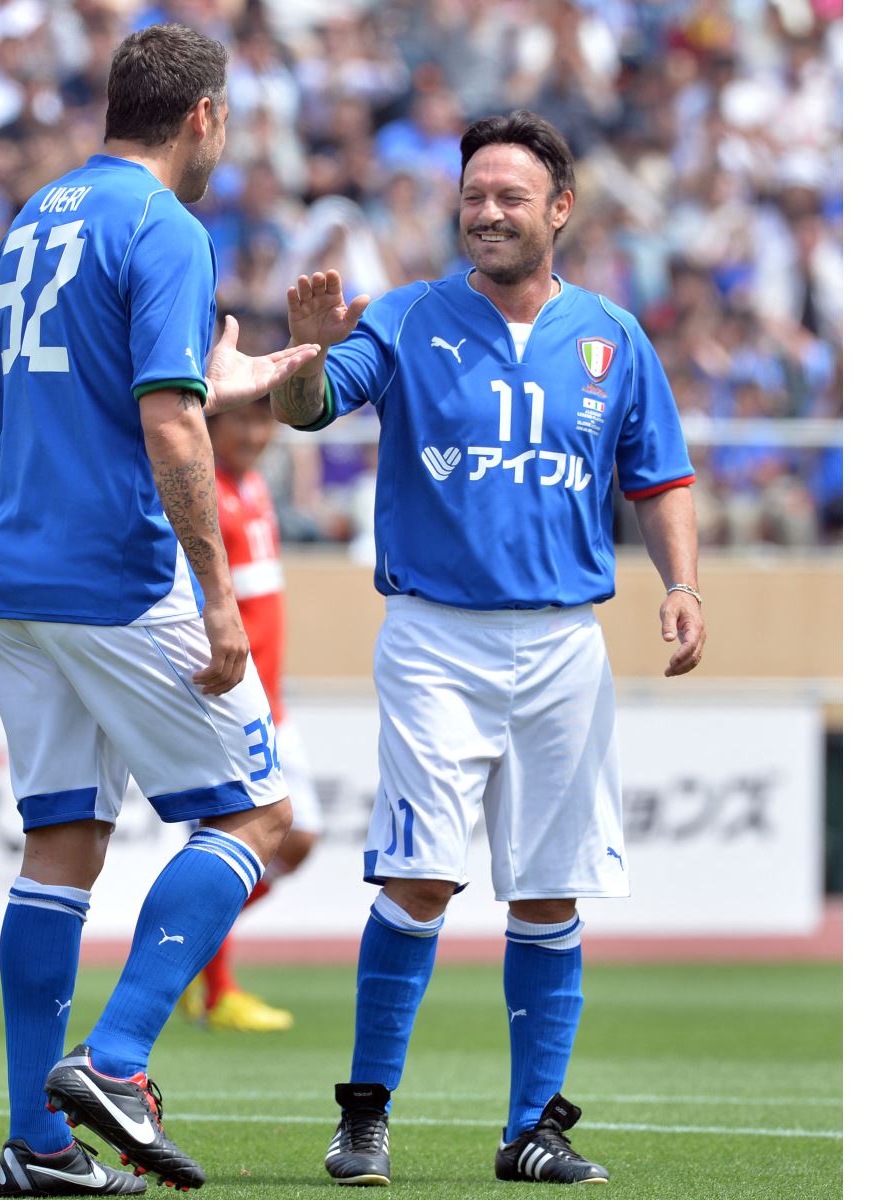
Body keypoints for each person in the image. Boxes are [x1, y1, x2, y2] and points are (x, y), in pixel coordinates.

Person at [270, 110, 707, 1186]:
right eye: (473, 197)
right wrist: (313, 348)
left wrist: (683, 585)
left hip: (564, 642)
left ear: (559, 210)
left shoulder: (613, 335)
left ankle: (531, 1131)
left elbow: (658, 478)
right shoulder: (410, 319)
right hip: (435, 639)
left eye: (510, 197)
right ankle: (365, 1116)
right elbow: (311, 407)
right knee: (421, 877)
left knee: (551, 892)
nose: (488, 213)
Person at [0, 24, 320, 1197]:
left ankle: (38, 1150)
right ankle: (115, 1060)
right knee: (261, 819)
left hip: (13, 572)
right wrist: (218, 597)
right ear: (202, 117)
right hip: (115, 569)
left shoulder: (37, 218)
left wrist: (219, 378)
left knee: (63, 844)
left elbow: (103, 384)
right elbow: (170, 427)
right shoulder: (165, 223)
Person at [178, 397, 324, 1032]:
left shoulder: (255, 485)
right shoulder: (199, 491)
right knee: (233, 835)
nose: (258, 433)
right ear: (210, 423)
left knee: (299, 836)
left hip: (271, 701)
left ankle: (186, 953)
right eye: (243, 419)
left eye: (266, 421)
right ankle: (217, 989)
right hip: (232, 698)